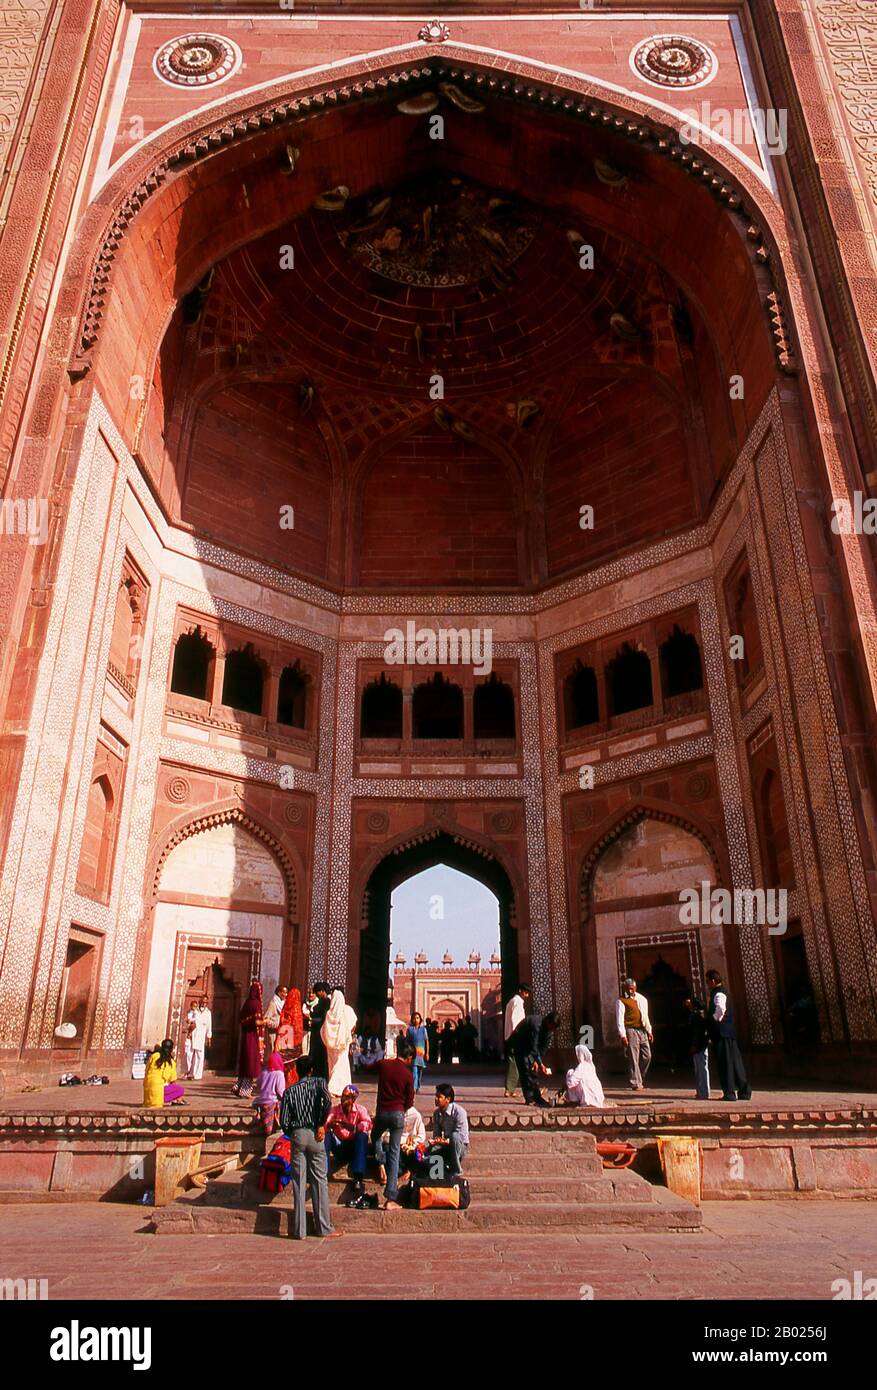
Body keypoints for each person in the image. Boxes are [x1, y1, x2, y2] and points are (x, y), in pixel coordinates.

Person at [279, 1055, 343, 1241]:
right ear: (311, 1070)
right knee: (319, 1181)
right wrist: (322, 1123)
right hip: (316, 1133)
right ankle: (323, 1227)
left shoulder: (290, 1091)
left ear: (297, 1071)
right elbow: (328, 1103)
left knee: (298, 1182)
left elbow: (284, 1120)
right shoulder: (319, 1083)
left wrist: (293, 1132)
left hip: (298, 1134)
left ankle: (299, 1230)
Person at [364, 1040, 415, 1209]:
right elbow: (410, 1099)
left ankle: (380, 1162)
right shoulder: (408, 1074)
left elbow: (368, 1067)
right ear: (409, 1058)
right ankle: (391, 1198)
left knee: (375, 1135)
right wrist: (401, 1107)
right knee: (394, 1153)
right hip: (398, 1114)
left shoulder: (384, 1065)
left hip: (382, 1112)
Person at [705, 969, 752, 1101]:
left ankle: (729, 1093)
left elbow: (720, 1009)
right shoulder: (723, 992)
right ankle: (744, 1091)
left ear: (713, 981)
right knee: (736, 1063)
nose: (707, 984)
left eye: (708, 981)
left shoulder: (719, 994)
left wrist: (714, 1020)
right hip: (729, 1033)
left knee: (725, 1064)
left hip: (721, 1034)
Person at [324, 1083, 371, 1194]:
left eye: (346, 1097)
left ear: (353, 1099)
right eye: (342, 1096)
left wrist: (354, 1128)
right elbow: (327, 1122)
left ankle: (358, 1177)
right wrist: (330, 1125)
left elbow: (368, 1124)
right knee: (327, 1134)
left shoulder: (361, 1110)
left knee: (362, 1135)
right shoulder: (334, 1110)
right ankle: (323, 1173)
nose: (343, 1099)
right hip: (339, 1146)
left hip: (353, 1147)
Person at [510, 1010, 560, 1107]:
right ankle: (530, 1098)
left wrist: (538, 1061)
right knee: (525, 1070)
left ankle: (537, 1097)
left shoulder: (549, 1031)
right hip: (520, 1044)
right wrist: (540, 1063)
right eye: (552, 1027)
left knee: (534, 1072)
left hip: (530, 1047)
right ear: (548, 1021)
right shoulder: (536, 1025)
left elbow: (542, 1048)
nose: (552, 1030)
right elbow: (534, 1046)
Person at [616, 977, 653, 1091]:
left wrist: (649, 1031)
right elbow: (620, 1019)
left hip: (642, 1030)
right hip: (631, 1030)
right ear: (625, 989)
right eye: (628, 989)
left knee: (647, 1056)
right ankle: (635, 1082)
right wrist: (623, 1035)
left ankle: (639, 1078)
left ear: (635, 988)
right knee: (633, 1057)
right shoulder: (621, 1001)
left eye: (632, 989)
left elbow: (645, 1016)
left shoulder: (642, 999)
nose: (630, 991)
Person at [559, 1032, 612, 1108]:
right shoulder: (591, 1066)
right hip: (598, 1099)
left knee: (570, 1073)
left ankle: (574, 1101)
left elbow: (572, 1081)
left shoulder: (582, 1066)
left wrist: (562, 1089)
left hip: (589, 1099)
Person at [323, 988, 357, 1098]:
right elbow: (353, 1024)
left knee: (333, 1066)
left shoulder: (329, 1014)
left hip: (330, 1045)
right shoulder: (348, 1010)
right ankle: (338, 1088)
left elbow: (323, 1030)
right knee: (341, 1065)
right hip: (342, 1045)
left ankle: (335, 1088)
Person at [232, 979, 264, 1098]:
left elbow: (242, 1019)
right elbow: (257, 1022)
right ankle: (245, 1091)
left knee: (246, 1062)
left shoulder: (247, 1002)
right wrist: (266, 1021)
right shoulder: (255, 1004)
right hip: (252, 1037)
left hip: (246, 1035)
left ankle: (238, 1087)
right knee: (251, 1063)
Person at [431, 1083, 469, 1176]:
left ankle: (456, 1170)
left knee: (454, 1136)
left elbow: (461, 1136)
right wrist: (436, 1141)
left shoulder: (459, 1112)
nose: (436, 1099)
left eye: (439, 1097)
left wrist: (447, 1141)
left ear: (447, 1099)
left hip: (459, 1145)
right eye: (436, 1096)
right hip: (446, 1144)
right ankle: (438, 1174)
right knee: (428, 1152)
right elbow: (437, 1135)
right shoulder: (437, 1114)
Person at [503, 983, 530, 1097]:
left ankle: (510, 1089)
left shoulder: (511, 1001)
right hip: (515, 1036)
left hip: (510, 1036)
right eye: (525, 992)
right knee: (516, 1062)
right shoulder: (518, 1002)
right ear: (520, 991)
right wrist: (520, 1036)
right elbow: (516, 1021)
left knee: (513, 1061)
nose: (527, 995)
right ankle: (510, 1089)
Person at [683, 995, 711, 1100]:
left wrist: (694, 1045)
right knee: (700, 1068)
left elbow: (697, 1032)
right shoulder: (698, 1015)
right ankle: (701, 1091)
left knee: (701, 1068)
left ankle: (703, 1092)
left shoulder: (697, 1016)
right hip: (701, 1045)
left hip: (699, 1046)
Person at [143, 1039, 185, 1108]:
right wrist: (177, 1097)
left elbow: (146, 1070)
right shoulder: (171, 1062)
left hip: (147, 1092)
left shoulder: (154, 1056)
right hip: (158, 1096)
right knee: (180, 1090)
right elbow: (173, 1081)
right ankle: (177, 1100)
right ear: (171, 1049)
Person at [255, 1051, 287, 1134]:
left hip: (261, 1102)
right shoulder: (279, 1074)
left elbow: (257, 1083)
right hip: (272, 1102)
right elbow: (280, 1091)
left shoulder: (264, 1072)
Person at [307, 982, 331, 1080]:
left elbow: (323, 1018)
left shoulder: (326, 1002)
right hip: (316, 1033)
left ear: (321, 991)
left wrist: (312, 1019)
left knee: (320, 1055)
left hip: (320, 1033)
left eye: (317, 992)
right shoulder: (322, 1002)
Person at [184, 995, 212, 1080]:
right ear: (199, 1001)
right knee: (189, 1053)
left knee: (199, 1055)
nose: (204, 1003)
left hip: (201, 1035)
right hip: (193, 1033)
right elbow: (188, 1019)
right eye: (202, 1002)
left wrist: (209, 1037)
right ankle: (189, 1072)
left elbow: (209, 1025)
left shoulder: (208, 1012)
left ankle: (197, 1075)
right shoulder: (195, 1010)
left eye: (205, 1002)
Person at [276, 986, 304, 1057]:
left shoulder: (287, 1007)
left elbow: (283, 1021)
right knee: (292, 1061)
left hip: (286, 1036)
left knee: (284, 1060)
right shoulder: (298, 1010)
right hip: (295, 1039)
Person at [262, 985, 288, 1059]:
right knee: (273, 1053)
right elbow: (266, 1019)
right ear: (279, 993)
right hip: (273, 1033)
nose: (286, 994)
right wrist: (275, 1025)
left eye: (287, 992)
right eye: (284, 992)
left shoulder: (285, 1004)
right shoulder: (273, 1004)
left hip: (282, 1034)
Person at [406, 1012, 428, 1092]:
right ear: (412, 1019)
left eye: (417, 1018)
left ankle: (418, 1085)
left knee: (420, 1071)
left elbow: (426, 1041)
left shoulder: (423, 1029)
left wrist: (427, 1053)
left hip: (421, 1054)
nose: (416, 1020)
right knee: (414, 1071)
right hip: (413, 1053)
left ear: (420, 1019)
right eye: (414, 1018)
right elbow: (407, 1041)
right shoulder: (410, 1030)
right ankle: (414, 1087)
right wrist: (408, 1053)